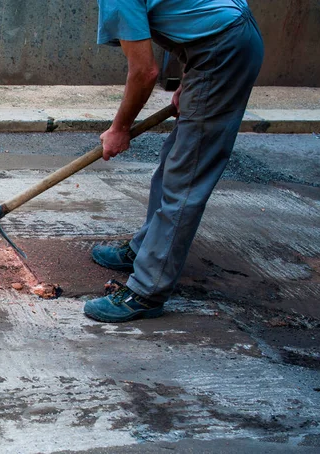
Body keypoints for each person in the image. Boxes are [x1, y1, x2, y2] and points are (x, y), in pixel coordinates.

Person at [84, 0, 264, 322]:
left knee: (186, 176)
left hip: (223, 52)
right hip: (220, 46)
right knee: (175, 160)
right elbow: (195, 15)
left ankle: (147, 291)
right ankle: (144, 249)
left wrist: (120, 128)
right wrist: (191, 78)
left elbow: (144, 71)